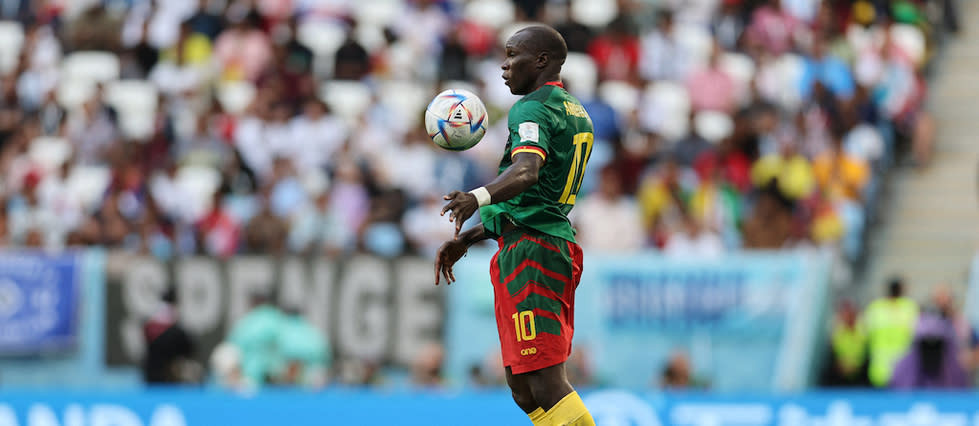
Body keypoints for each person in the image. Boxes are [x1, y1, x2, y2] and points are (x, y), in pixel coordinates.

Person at [435, 26, 596, 426]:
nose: (503, 66)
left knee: (544, 381)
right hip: (532, 241)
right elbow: (536, 197)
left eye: (512, 55)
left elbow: (527, 171)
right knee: (522, 386)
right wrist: (472, 236)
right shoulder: (575, 110)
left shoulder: (532, 108)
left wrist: (476, 197)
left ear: (541, 60)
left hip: (535, 252)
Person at [864, 277, 919, 387]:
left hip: (882, 365)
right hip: (898, 366)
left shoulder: (875, 307)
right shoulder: (909, 307)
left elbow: (866, 333)